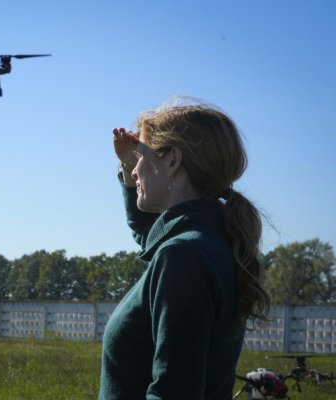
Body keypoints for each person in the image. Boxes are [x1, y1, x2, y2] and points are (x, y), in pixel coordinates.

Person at [99, 97, 270, 400]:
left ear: (173, 160)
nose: (135, 171)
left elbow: (173, 393)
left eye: (140, 158)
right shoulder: (212, 238)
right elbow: (151, 236)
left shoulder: (183, 257)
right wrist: (128, 167)